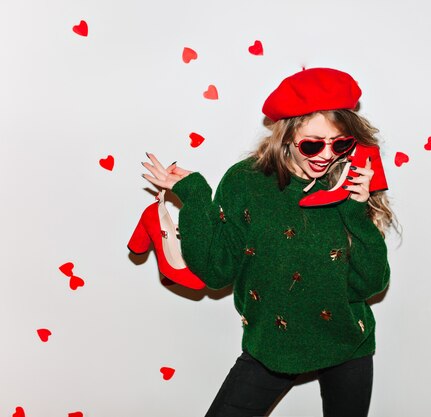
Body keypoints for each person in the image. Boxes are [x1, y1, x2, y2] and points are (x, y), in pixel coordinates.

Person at [141, 67, 395, 417]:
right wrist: (195, 196)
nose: (326, 155)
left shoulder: (349, 183)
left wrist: (355, 209)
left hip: (347, 342)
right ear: (286, 138)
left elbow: (371, 284)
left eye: (340, 143)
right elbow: (217, 272)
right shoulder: (246, 182)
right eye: (312, 144)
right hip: (271, 345)